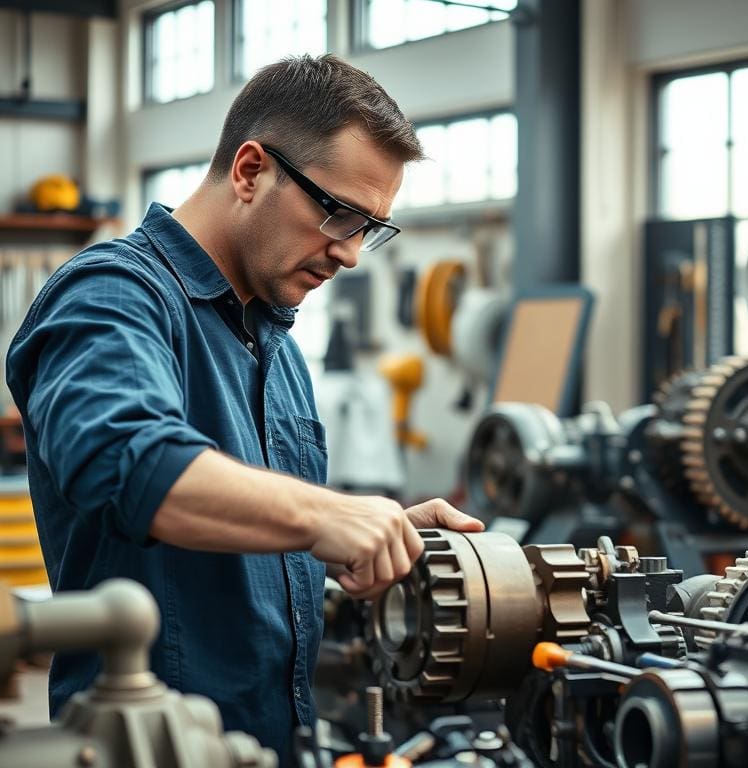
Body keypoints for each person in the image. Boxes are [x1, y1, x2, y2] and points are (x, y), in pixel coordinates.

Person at [5, 54, 483, 765]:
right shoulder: (113, 296)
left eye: (371, 228)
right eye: (339, 214)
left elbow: (250, 537)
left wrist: (368, 536)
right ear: (250, 170)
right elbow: (126, 463)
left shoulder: (275, 345)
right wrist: (324, 514)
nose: (351, 254)